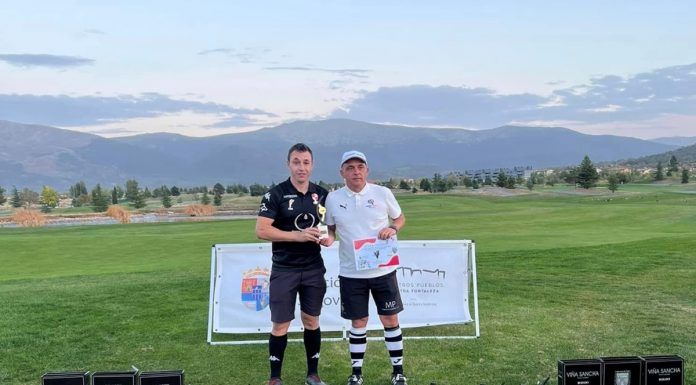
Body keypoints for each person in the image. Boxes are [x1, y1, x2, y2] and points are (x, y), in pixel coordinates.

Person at [321, 150, 408, 385]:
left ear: (367, 170)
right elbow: (330, 228)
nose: (356, 171)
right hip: (351, 273)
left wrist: (394, 228)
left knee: (390, 320)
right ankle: (356, 374)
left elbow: (399, 218)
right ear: (342, 172)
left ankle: (398, 372)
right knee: (358, 323)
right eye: (350, 167)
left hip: (383, 271)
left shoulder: (382, 193)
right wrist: (328, 238)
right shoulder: (332, 198)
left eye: (360, 167)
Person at [255, 143, 329, 385]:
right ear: (288, 164)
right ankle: (275, 378)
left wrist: (328, 238)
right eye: (296, 162)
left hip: (313, 269)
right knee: (281, 324)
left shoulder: (322, 194)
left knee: (311, 320)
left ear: (312, 165)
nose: (301, 167)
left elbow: (329, 229)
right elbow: (262, 230)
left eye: (306, 162)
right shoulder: (274, 194)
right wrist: (296, 236)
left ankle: (313, 374)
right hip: (284, 269)